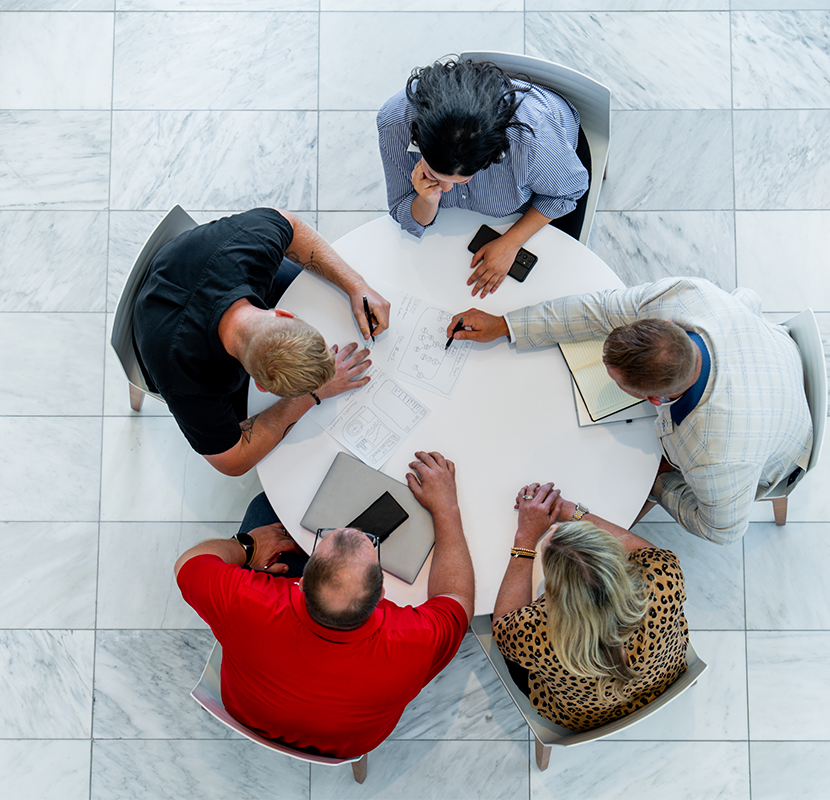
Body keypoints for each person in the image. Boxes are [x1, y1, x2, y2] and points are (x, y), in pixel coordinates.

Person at [446, 277, 813, 545]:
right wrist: (506, 325)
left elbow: (723, 530)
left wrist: (656, 484)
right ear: (665, 324)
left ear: (655, 400)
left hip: (780, 443)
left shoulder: (714, 454)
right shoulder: (684, 297)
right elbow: (602, 309)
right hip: (769, 352)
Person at [174, 450, 474, 759]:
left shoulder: (247, 601)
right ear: (382, 595)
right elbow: (457, 599)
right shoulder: (416, 641)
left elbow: (188, 563)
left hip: (246, 712)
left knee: (264, 507)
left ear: (301, 581)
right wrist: (446, 509)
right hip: (350, 744)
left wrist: (248, 546)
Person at [133, 208, 391, 476]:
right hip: (156, 328)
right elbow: (231, 461)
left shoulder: (250, 248)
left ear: (284, 314)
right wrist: (312, 396)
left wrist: (356, 285)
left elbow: (289, 223)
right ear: (258, 385)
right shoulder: (188, 378)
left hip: (193, 267)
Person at [377, 58, 589, 298]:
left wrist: (511, 243)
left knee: (555, 283)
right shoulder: (393, 124)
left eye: (464, 179)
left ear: (493, 156)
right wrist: (427, 200)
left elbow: (567, 192)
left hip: (554, 165)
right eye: (434, 174)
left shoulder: (532, 139)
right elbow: (401, 211)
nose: (446, 189)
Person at [492, 481, 689, 732]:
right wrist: (572, 512)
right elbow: (640, 547)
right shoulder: (662, 576)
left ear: (555, 592)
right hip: (663, 676)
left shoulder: (535, 633)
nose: (552, 528)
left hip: (582, 717)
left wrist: (526, 538)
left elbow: (503, 626)